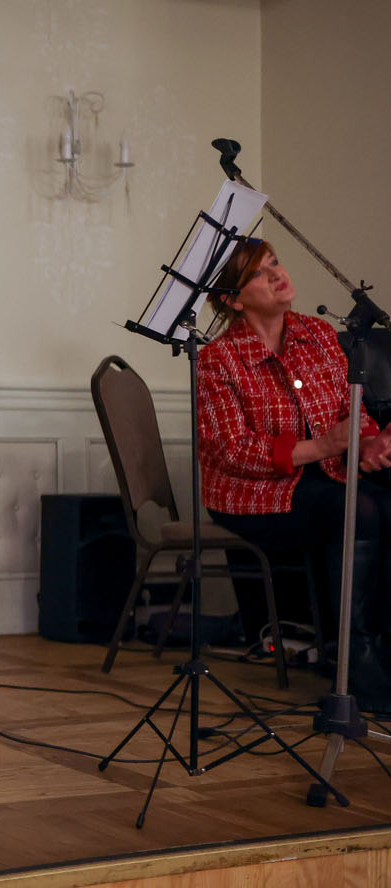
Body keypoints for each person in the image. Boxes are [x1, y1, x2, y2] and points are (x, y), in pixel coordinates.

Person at [198, 237, 391, 712]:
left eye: (276, 263)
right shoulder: (216, 359)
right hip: (250, 494)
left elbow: (348, 410)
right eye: (259, 273)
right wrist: (324, 446)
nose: (278, 275)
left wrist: (368, 442)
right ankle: (355, 659)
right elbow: (233, 451)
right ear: (233, 300)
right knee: (359, 511)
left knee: (382, 502)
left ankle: (382, 646)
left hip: (323, 476)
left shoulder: (318, 333)